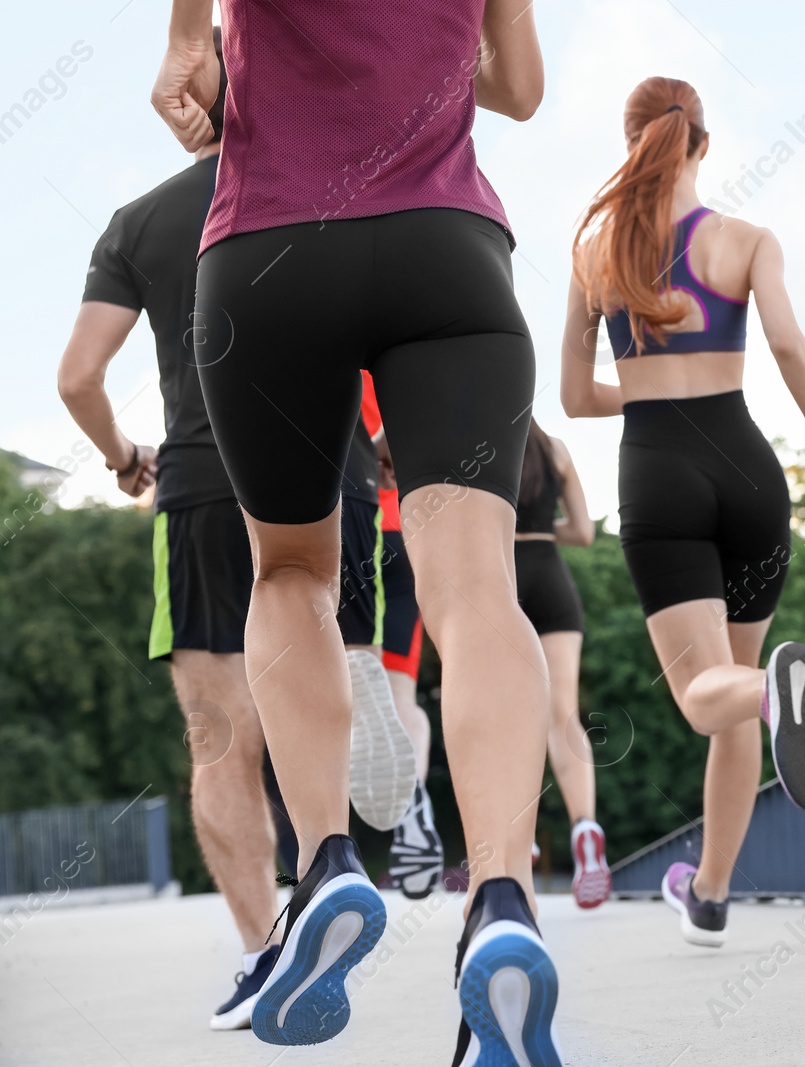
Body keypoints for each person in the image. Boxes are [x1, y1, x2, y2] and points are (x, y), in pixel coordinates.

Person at [151, 1, 560, 1060]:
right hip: (448, 250)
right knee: (476, 593)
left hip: (269, 249)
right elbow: (517, 88)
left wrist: (187, 40)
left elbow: (191, 62)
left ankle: (328, 861)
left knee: (289, 567)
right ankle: (503, 897)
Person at [56, 30, 413, 1032]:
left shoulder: (138, 223)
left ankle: (269, 951)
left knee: (219, 736)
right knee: (323, 657)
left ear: (187, 91)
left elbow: (77, 376)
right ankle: (340, 812)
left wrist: (127, 455)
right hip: (334, 469)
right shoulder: (328, 182)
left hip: (209, 481)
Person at [561, 77, 805, 947]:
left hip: (659, 472)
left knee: (708, 695)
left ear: (634, 145)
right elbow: (789, 344)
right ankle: (713, 894)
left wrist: (654, 395)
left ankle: (775, 695)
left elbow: (576, 398)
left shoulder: (595, 255)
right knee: (733, 687)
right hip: (750, 471)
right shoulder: (747, 240)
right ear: (702, 143)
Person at [513, 420, 610, 907]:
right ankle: (586, 828)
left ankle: (517, 835)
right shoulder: (557, 450)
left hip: (504, 579)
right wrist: (538, 526)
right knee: (563, 715)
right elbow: (584, 533)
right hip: (553, 579)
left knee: (504, 717)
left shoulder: (483, 446)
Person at [360, 373, 447, 900]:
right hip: (406, 530)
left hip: (350, 522)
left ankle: (323, 858)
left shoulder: (324, 333)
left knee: (341, 690)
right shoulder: (395, 349)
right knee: (401, 697)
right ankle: (412, 797)